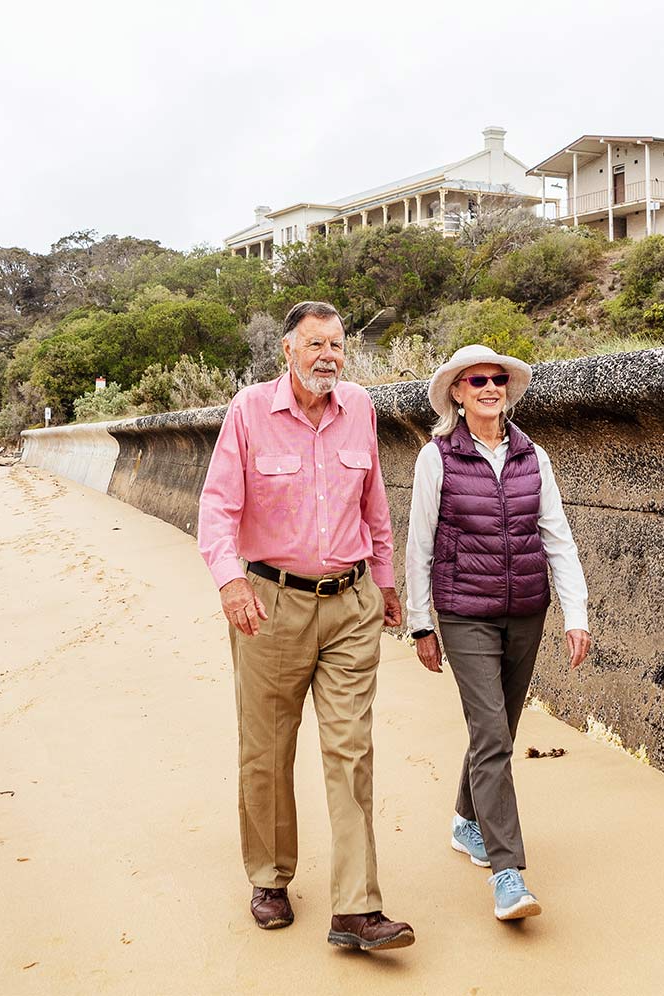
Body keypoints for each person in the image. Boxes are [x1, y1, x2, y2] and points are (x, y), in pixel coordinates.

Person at [197, 301, 416, 952]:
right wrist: (229, 581)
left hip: (349, 604)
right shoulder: (248, 412)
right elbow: (216, 506)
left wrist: (385, 580)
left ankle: (356, 908)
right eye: (316, 344)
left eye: (338, 346)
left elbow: (374, 500)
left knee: (351, 749)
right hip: (270, 603)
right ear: (286, 352)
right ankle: (269, 877)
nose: (329, 356)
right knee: (267, 749)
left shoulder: (361, 409)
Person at [404, 343, 592, 922]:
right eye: (477, 380)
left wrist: (575, 611)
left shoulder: (534, 456)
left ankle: (467, 821)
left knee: (499, 729)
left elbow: (556, 533)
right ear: (457, 394)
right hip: (465, 613)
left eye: (499, 379)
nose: (491, 387)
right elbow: (419, 544)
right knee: (492, 733)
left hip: (526, 610)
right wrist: (420, 623)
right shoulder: (436, 459)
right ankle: (509, 874)